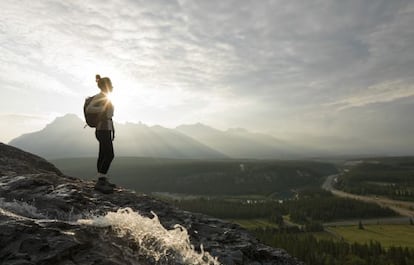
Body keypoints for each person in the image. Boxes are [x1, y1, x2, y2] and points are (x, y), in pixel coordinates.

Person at [86, 74, 116, 193]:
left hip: (104, 129)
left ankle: (101, 179)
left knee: (103, 154)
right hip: (102, 129)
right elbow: (89, 109)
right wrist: (102, 109)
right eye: (111, 85)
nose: (113, 87)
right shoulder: (101, 97)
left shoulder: (104, 96)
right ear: (107, 86)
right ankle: (100, 181)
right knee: (109, 155)